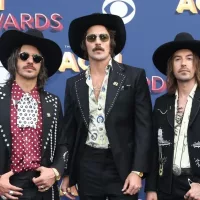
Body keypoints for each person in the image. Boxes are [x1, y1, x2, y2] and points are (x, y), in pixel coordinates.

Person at [60, 13, 153, 200]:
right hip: (87, 166)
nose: (97, 42)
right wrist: (68, 173)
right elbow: (69, 132)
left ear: (111, 43)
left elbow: (144, 128)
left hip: (122, 166)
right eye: (91, 38)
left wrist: (138, 170)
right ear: (84, 45)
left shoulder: (133, 77)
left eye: (103, 37)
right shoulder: (74, 84)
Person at [0, 29, 68, 200]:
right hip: (6, 187)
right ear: (14, 60)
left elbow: (63, 143)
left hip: (43, 187)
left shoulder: (53, 102)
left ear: (41, 65)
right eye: (24, 56)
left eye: (37, 58)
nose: (30, 61)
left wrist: (55, 171)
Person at [146, 32, 200, 200]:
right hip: (166, 187)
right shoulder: (162, 103)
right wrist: (151, 188)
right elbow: (154, 147)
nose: (183, 63)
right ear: (171, 66)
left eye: (189, 58)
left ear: (197, 64)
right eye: (177, 59)